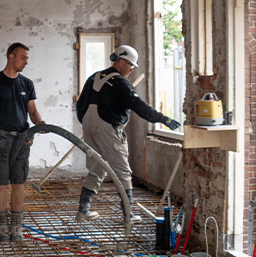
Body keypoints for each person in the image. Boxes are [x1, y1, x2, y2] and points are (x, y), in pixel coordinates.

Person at [75, 44, 180, 223]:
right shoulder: (122, 83)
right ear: (121, 62)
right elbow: (139, 106)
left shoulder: (94, 77)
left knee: (97, 168)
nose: (132, 69)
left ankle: (83, 210)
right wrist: (163, 119)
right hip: (108, 129)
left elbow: (80, 105)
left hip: (88, 127)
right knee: (123, 171)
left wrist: (87, 123)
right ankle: (128, 215)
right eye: (131, 64)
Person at [0, 43, 45, 242]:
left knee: (19, 183)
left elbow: (32, 111)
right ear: (11, 56)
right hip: (0, 138)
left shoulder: (26, 84)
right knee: (1, 183)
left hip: (22, 139)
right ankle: (2, 227)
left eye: (27, 58)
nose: (26, 62)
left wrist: (40, 123)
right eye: (23, 57)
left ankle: (16, 227)